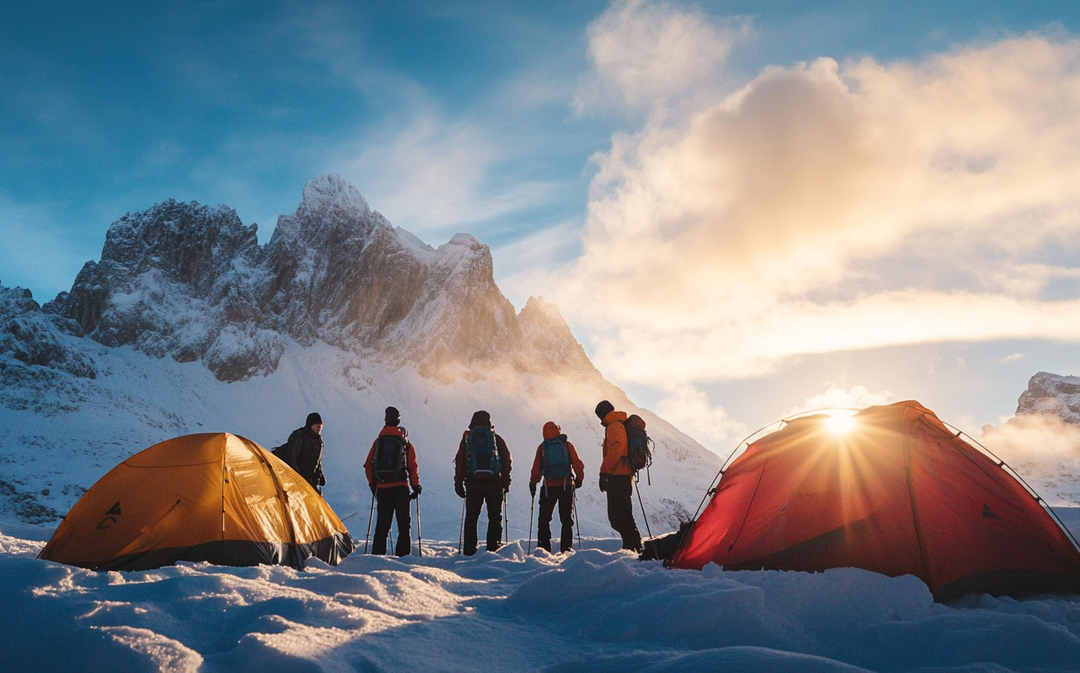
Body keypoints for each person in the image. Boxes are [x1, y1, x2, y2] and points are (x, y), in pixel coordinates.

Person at [364, 406, 421, 557]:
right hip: (401, 488)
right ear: (398, 420)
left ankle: (377, 557)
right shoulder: (405, 442)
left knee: (382, 526)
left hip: (382, 488)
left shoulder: (379, 441)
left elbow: (368, 464)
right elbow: (412, 466)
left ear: (385, 420)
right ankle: (403, 557)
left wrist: (373, 483)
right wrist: (415, 486)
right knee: (403, 526)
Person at [455, 410, 512, 555]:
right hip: (494, 482)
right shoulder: (495, 439)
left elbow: (460, 461)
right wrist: (506, 480)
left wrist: (459, 482)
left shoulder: (468, 439)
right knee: (494, 516)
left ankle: (469, 550)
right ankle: (493, 549)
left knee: (472, 517)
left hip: (473, 482)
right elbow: (506, 459)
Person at [529, 421, 585, 553]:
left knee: (544, 519)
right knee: (566, 519)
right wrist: (579, 479)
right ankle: (566, 549)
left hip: (549, 487)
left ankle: (543, 550)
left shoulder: (542, 447)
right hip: (566, 485)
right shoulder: (566, 445)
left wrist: (533, 483)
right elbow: (577, 463)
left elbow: (536, 469)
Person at [596, 400, 642, 552]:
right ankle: (632, 545)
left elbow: (618, 446)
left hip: (618, 475)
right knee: (623, 513)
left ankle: (632, 546)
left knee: (618, 516)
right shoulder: (617, 423)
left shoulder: (614, 425)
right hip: (623, 474)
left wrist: (604, 472)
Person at [279, 412, 326, 494]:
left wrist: (320, 475)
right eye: (317, 425)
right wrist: (297, 476)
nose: (319, 427)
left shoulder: (318, 440)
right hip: (296, 478)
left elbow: (317, 461)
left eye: (320, 425)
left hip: (309, 478)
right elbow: (291, 457)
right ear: (310, 425)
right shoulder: (300, 437)